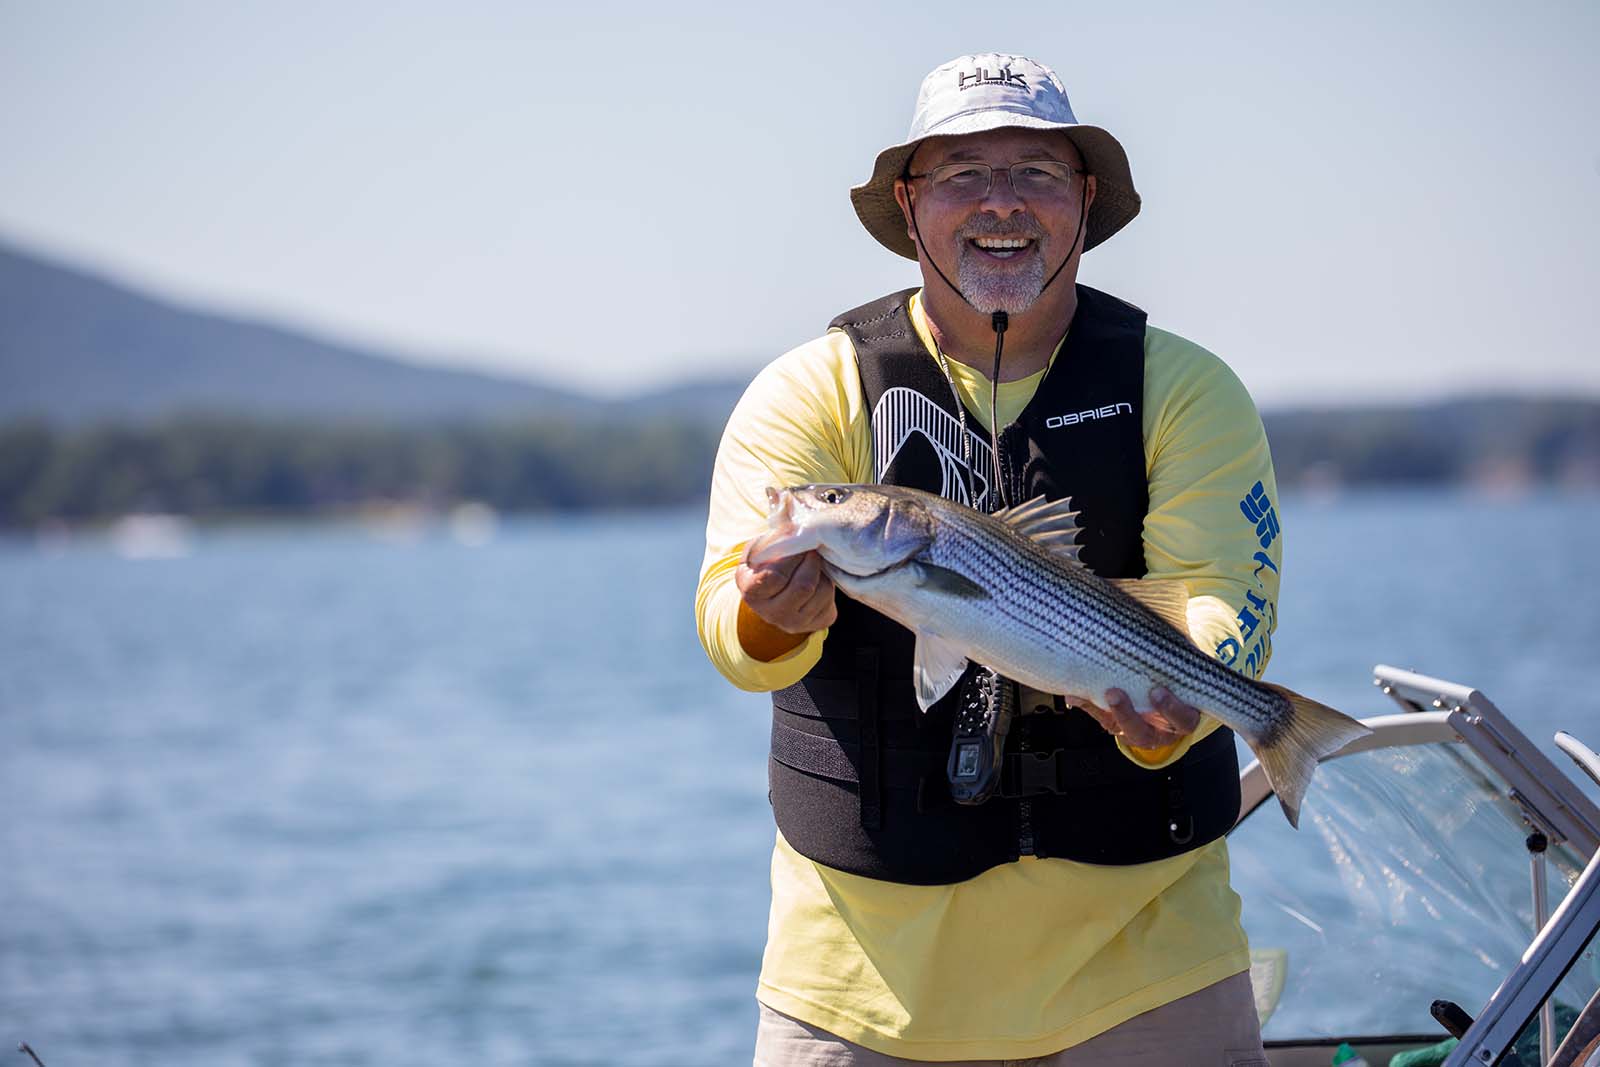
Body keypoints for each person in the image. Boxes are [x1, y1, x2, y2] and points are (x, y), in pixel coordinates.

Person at [696, 52, 1281, 1066]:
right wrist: (766, 615)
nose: (1000, 202)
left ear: (1085, 202)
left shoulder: (1187, 388)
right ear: (909, 204)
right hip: (858, 990)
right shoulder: (806, 392)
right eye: (962, 172)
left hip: (1151, 974)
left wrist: (1175, 696)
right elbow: (727, 624)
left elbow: (1220, 592)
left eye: (1037, 173)